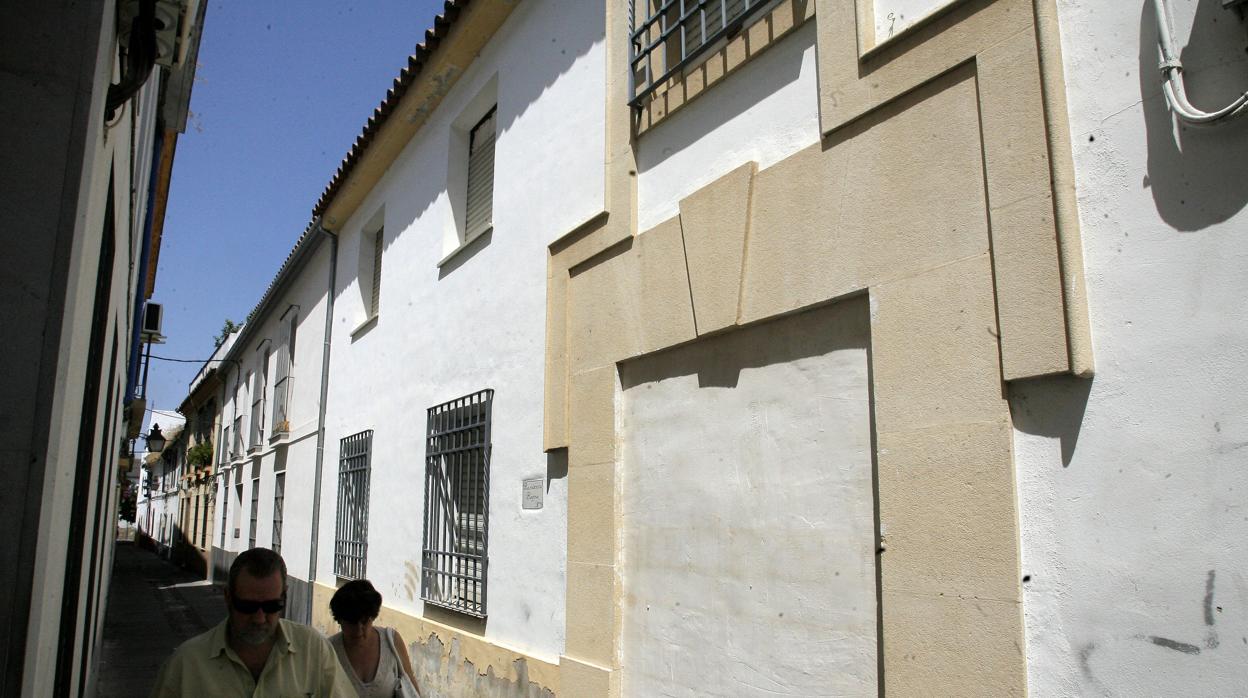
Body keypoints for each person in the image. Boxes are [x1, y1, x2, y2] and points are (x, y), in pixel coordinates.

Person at [150, 547, 355, 697]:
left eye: (271, 606)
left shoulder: (314, 651)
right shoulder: (186, 665)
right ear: (228, 598)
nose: (259, 618)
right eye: (247, 606)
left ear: (284, 598)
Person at [328, 580, 421, 697]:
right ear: (340, 620)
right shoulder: (329, 650)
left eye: (364, 621)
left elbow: (411, 688)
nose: (359, 629)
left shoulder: (391, 641)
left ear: (372, 617)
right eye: (352, 623)